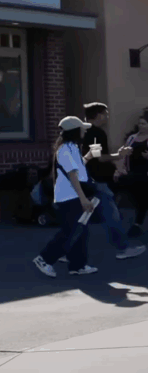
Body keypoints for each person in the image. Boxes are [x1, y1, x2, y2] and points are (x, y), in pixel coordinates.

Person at [33, 116, 101, 277]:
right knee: (70, 231)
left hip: (72, 195)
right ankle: (44, 258)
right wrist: (83, 198)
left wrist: (89, 157)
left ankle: (77, 265)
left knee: (80, 231)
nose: (84, 130)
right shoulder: (64, 149)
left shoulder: (72, 147)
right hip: (69, 197)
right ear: (75, 131)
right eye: (82, 128)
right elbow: (72, 175)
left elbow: (77, 168)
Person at [79, 102, 144, 261]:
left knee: (82, 216)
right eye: (105, 114)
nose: (107, 117)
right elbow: (99, 157)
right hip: (97, 179)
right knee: (112, 214)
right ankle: (122, 248)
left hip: (84, 177)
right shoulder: (96, 133)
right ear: (99, 115)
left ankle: (66, 250)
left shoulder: (81, 131)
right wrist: (120, 155)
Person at [117, 110, 148, 237]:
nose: (140, 126)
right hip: (133, 171)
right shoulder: (132, 138)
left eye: (144, 124)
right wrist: (120, 168)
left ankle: (137, 225)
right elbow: (124, 155)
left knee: (144, 198)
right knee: (146, 199)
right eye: (140, 123)